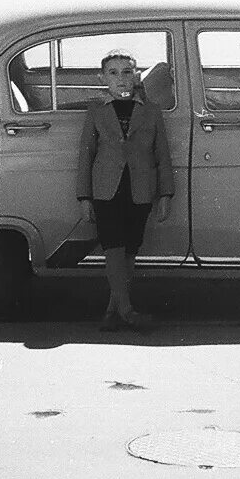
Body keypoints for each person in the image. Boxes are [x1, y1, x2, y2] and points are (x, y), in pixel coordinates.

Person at [77, 50, 173, 332]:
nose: (121, 79)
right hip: (106, 190)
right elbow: (86, 155)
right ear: (103, 78)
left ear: (136, 76)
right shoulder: (96, 112)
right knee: (113, 249)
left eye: (127, 72)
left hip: (140, 190)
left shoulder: (151, 112)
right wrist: (84, 197)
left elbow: (162, 155)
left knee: (130, 250)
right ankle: (128, 311)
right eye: (113, 73)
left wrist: (166, 193)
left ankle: (112, 310)